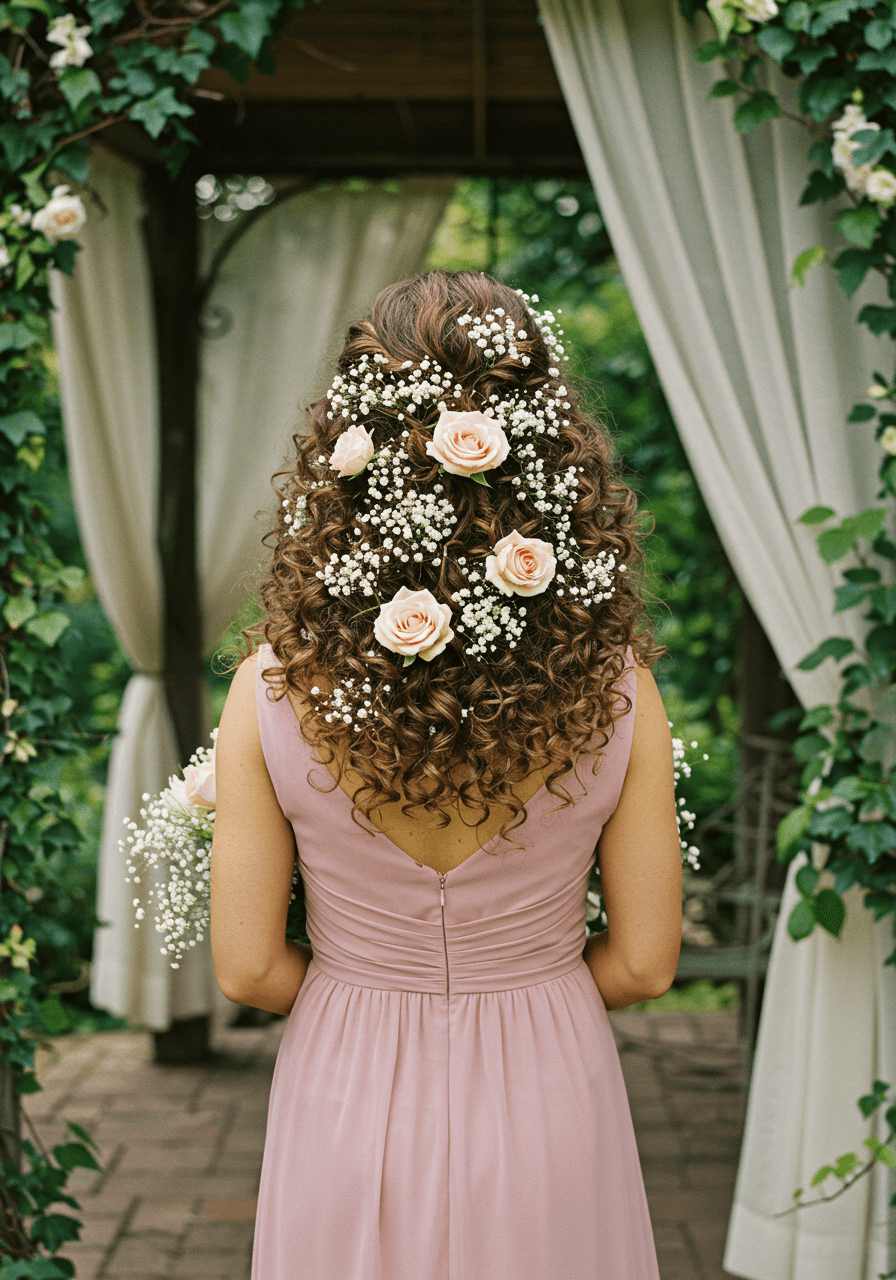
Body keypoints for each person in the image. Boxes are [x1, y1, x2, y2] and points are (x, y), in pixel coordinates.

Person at [210, 269, 682, 1280]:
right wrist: (528, 989)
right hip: (551, 1079)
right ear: (548, 454)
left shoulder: (268, 688)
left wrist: (366, 992)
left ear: (351, 459)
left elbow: (246, 967)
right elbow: (643, 963)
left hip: (342, 1078)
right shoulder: (619, 690)